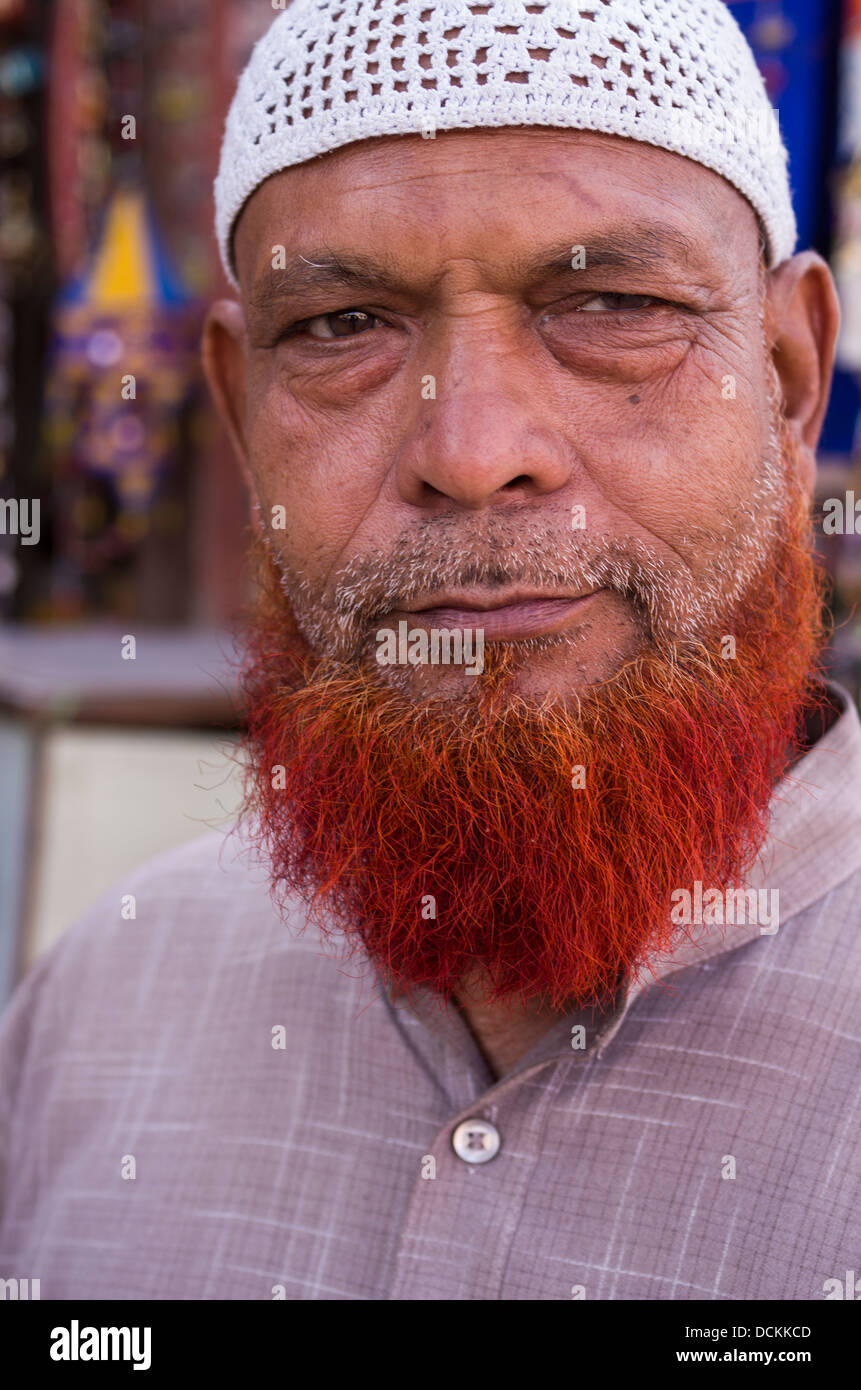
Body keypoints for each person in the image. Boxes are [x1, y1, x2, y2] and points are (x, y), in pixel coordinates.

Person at [1, 0, 858, 1301]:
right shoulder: (106, 998)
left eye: (613, 302)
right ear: (241, 413)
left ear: (789, 378)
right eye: (342, 328)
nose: (469, 450)